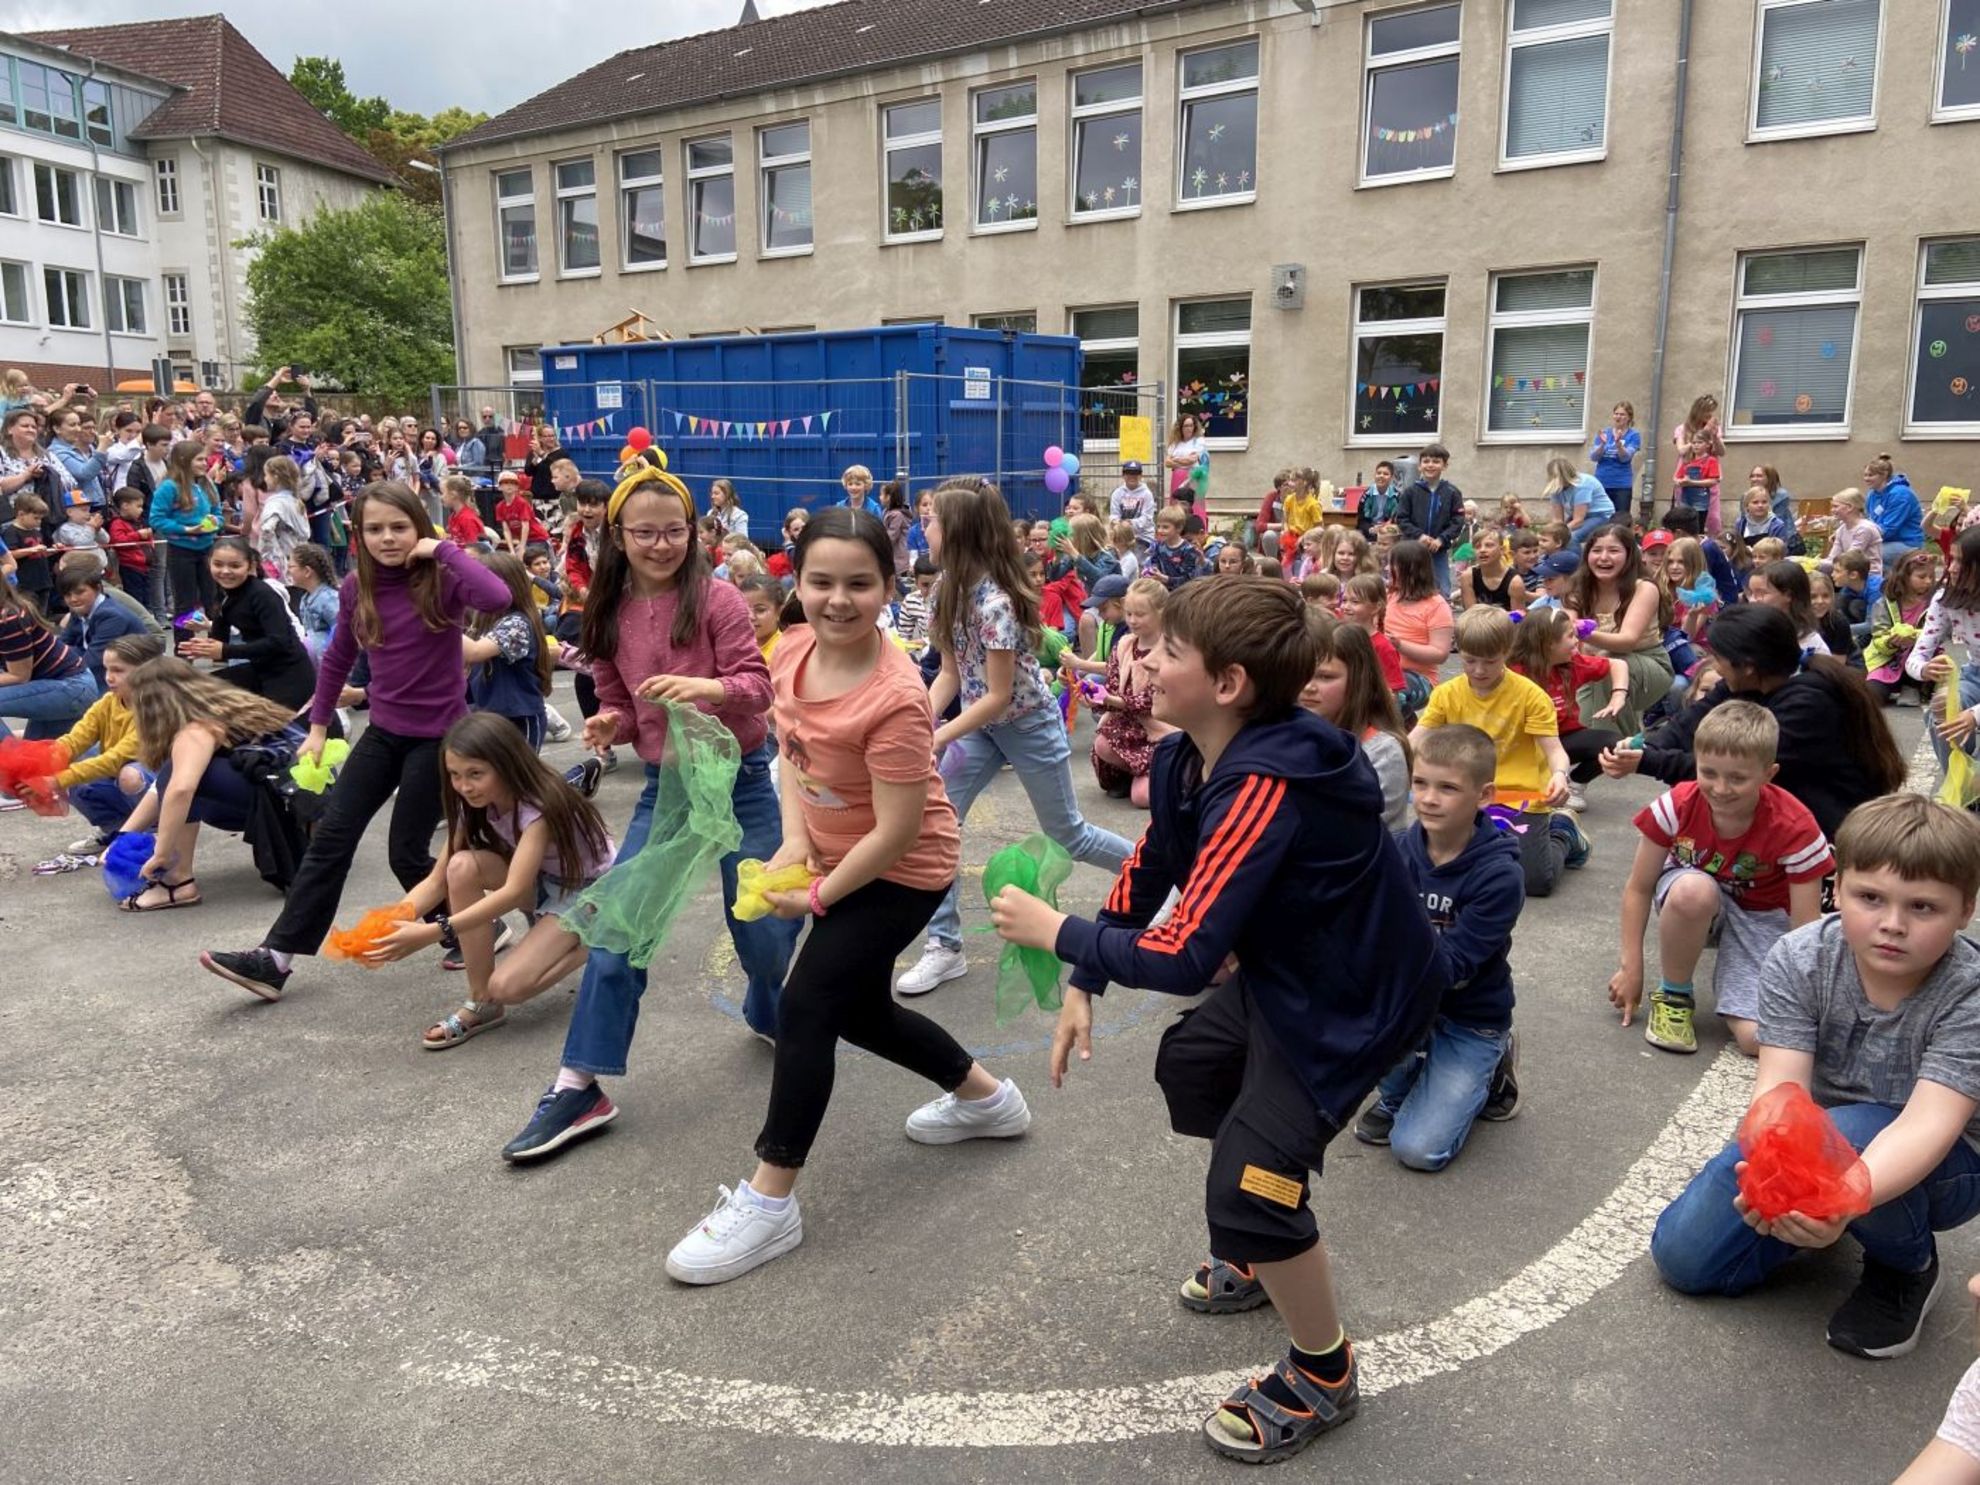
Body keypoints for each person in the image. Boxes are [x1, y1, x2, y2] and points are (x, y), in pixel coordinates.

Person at [988, 575, 1446, 1465]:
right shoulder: (1184, 757)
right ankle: (1259, 1243)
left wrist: (1059, 929)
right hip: (1290, 975)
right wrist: (1085, 969)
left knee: (1250, 1180)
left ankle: (1324, 1369)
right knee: (1194, 1065)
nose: (1145, 658)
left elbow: (1189, 955)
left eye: (1165, 650)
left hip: (1357, 998)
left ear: (1229, 682)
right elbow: (1155, 867)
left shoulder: (1268, 783)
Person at [655, 505, 1029, 1283]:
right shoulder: (791, 649)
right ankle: (988, 1100)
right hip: (832, 854)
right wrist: (795, 839)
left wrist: (820, 893)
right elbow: (791, 755)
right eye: (821, 580)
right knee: (856, 1008)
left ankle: (769, 1201)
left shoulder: (893, 698)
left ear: (889, 587)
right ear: (799, 581)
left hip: (900, 871)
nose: (838, 599)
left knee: (807, 1004)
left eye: (860, 583)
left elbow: (896, 834)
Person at [499, 452, 803, 1160]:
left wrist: (707, 690)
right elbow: (618, 698)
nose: (660, 543)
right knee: (616, 930)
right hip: (666, 792)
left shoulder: (720, 598)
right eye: (644, 532)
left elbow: (758, 686)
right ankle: (579, 1084)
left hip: (740, 778)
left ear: (694, 532)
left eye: (674, 530)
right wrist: (613, 723)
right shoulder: (605, 610)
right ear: (618, 535)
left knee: (761, 927)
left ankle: (768, 993)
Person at [1649, 794, 1980, 1360]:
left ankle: (1907, 1266)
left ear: (1966, 910)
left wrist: (1837, 1201)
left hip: (1950, 1164)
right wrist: (1776, 1185)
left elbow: (1929, 1124)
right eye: (1870, 898)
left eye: (1923, 908)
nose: (1892, 925)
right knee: (1684, 1258)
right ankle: (1827, 1222)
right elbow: (1781, 1093)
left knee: (1852, 1134)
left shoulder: (1968, 991)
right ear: (1837, 887)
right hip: (1822, 1141)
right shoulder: (1799, 957)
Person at [196, 482, 514, 1001]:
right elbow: (338, 658)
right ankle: (275, 959)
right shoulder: (355, 588)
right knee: (330, 840)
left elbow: (498, 597)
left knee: (406, 853)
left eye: (399, 526)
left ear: (417, 525)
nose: (387, 538)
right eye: (374, 529)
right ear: (359, 536)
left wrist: (443, 548)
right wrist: (317, 728)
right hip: (383, 733)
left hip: (440, 739)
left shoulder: (443, 579)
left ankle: (475, 924)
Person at [892, 478, 1134, 996]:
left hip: (1025, 723)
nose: (923, 527)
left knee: (1069, 833)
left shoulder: (995, 602)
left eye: (931, 520)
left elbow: (999, 695)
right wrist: (925, 722)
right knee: (936, 830)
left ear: (956, 531)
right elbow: (951, 674)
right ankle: (945, 946)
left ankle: (1159, 873)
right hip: (981, 728)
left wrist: (938, 738)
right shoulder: (944, 592)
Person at [355, 712, 614, 1050]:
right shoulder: (473, 802)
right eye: (455, 775)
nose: (463, 786)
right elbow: (436, 882)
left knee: (509, 986)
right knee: (460, 867)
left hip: (588, 891)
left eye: (475, 774)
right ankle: (482, 1003)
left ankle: (601, 942)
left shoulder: (540, 807)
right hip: (543, 878)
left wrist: (433, 931)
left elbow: (514, 892)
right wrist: (388, 922)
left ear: (506, 765)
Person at [1612, 702, 1831, 1058]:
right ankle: (1674, 994)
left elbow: (1804, 928)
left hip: (1762, 915)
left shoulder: (1794, 825)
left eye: (1738, 778)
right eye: (1708, 772)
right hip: (1695, 896)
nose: (1720, 788)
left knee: (1757, 1039)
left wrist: (1803, 997)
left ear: (1768, 774)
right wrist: (1630, 967)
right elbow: (1638, 887)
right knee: (1692, 890)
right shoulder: (1678, 804)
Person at [1354, 723, 1524, 1166]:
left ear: (1483, 795)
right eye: (1421, 784)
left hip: (1470, 1016)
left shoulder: (1498, 875)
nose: (1428, 798)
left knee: (1418, 1150)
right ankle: (1399, 1089)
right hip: (1410, 1000)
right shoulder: (1394, 850)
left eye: (1447, 788)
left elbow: (1452, 966)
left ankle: (1493, 1071)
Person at [1605, 604, 1907, 842]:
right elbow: (1689, 723)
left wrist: (1649, 762)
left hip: (1830, 823)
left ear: (1748, 666)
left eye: (1718, 657)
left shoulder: (1809, 702)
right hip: (1788, 807)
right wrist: (1642, 746)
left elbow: (1734, 769)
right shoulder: (1751, 682)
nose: (1716, 666)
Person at [1411, 605, 1586, 899]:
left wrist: (1559, 775)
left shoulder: (1531, 696)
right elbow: (1416, 739)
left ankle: (1563, 832)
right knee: (1430, 864)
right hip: (1462, 794)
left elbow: (1555, 750)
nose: (1479, 670)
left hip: (1520, 797)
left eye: (1489, 661)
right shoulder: (1446, 693)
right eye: (1469, 661)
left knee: (1534, 882)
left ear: (1506, 652)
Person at [110, 655, 309, 910]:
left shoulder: (197, 729)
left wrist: (161, 854)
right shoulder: (223, 706)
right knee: (183, 778)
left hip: (289, 804)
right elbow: (161, 786)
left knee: (182, 780)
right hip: (309, 803)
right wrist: (123, 837)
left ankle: (177, 882)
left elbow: (179, 789)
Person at [35, 632, 166, 868]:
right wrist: (39, 763)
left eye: (118, 670)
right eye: (107, 669)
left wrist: (57, 780)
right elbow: (74, 740)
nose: (109, 677)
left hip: (157, 782)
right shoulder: (107, 702)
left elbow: (114, 760)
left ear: (147, 671)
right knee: (71, 766)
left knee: (130, 774)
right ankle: (117, 829)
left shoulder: (155, 709)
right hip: (118, 774)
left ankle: (156, 831)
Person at [1509, 605, 1627, 812]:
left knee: (1616, 744)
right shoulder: (1513, 672)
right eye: (1570, 636)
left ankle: (1573, 785)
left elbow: (1617, 664)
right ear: (1548, 644)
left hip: (1562, 740)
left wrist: (1618, 695)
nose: (1576, 641)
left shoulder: (1572, 664)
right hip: (1524, 746)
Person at [1301, 610, 1411, 831]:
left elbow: (1356, 835)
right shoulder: (1288, 737)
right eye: (1301, 674)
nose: (1308, 687)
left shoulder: (1381, 752)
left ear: (1357, 681)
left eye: (1325, 676)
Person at [177, 538, 316, 711]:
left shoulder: (262, 594)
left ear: (250, 566)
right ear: (209, 563)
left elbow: (279, 642)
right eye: (218, 565)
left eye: (235, 566)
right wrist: (202, 646)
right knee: (194, 692)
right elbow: (221, 639)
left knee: (267, 731)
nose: (225, 571)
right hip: (261, 668)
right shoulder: (224, 591)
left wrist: (225, 650)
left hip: (289, 674)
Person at [1567, 524, 1674, 735]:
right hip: (1595, 666)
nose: (1603, 557)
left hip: (1648, 663)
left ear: (1629, 555)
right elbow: (1567, 632)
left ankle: (1617, 748)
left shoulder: (1644, 588)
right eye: (1596, 550)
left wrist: (1582, 632)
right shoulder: (1578, 588)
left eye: (1613, 551)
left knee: (1608, 665)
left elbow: (1627, 641)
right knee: (1580, 724)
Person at [1090, 576, 1172, 807]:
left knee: (1142, 799)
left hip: (1159, 727)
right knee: (1103, 743)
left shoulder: (1172, 646)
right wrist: (1093, 696)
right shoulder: (1125, 644)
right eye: (1129, 614)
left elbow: (1153, 700)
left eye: (1140, 614)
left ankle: (1160, 771)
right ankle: (1134, 772)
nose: (1133, 620)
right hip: (1127, 725)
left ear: (1161, 612)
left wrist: (1113, 700)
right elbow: (1113, 686)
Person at [463, 550, 554, 751]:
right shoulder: (482, 622)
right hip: (488, 718)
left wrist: (437, 614)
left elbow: (474, 652)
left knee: (518, 781)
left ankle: (576, 778)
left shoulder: (517, 622)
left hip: (519, 720)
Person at [0, 581, 97, 743]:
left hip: (70, 686)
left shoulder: (8, 619)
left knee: (26, 759)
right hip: (57, 685)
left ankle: (10, 760)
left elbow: (19, 676)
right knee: (42, 757)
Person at [150, 438, 220, 622]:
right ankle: (183, 648)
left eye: (205, 459)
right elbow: (156, 519)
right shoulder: (168, 487)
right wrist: (187, 529)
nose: (204, 464)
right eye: (199, 459)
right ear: (183, 460)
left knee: (213, 600)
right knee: (185, 603)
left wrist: (215, 522)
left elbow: (217, 512)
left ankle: (218, 644)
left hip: (208, 549)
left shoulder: (206, 484)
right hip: (181, 550)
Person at [1382, 539, 1455, 701]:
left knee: (1390, 696)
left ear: (1411, 570)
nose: (1387, 569)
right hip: (1384, 671)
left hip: (1419, 677)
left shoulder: (1437, 606)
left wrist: (1400, 645)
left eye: (1392, 565)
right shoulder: (1388, 597)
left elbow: (1440, 654)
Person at [1866, 549, 1939, 705]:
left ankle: (1912, 686)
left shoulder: (1935, 603)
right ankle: (1883, 685)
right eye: (1922, 577)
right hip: (1888, 661)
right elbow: (1878, 636)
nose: (1928, 581)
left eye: (1931, 577)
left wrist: (1914, 637)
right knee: (1871, 697)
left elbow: (1941, 633)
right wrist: (1892, 641)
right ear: (1904, 577)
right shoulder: (1885, 604)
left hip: (1920, 660)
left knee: (1931, 654)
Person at [56, 563, 148, 685]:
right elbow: (63, 646)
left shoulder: (112, 616)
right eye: (67, 595)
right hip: (105, 665)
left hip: (135, 674)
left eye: (80, 592)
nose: (73, 599)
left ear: (98, 589)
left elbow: (93, 660)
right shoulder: (79, 608)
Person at [1396, 443, 1464, 594]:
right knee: (1409, 588)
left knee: (1442, 590)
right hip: (1412, 549)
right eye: (1426, 461)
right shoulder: (1410, 492)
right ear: (1419, 466)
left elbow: (1457, 521)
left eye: (1436, 461)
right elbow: (1401, 518)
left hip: (1438, 550)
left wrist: (1441, 539)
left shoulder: (1452, 492)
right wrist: (1419, 536)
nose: (1430, 465)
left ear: (1444, 465)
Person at [1746, 559, 1828, 655]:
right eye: (1751, 593)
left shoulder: (1811, 646)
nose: (1752, 600)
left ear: (1789, 595)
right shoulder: (1750, 630)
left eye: (1762, 593)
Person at [1866, 453, 1925, 568]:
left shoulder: (1900, 495)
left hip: (1907, 543)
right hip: (1884, 541)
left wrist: (1865, 538)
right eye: (1865, 475)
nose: (1866, 479)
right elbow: (1868, 521)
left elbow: (1889, 529)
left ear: (1884, 475)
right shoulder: (1872, 494)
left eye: (1871, 475)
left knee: (1865, 556)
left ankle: (1887, 583)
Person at [1544, 457, 1615, 551]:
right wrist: (1551, 533)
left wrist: (1561, 531)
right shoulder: (1555, 487)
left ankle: (1577, 563)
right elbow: (1558, 519)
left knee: (1571, 538)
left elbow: (1578, 520)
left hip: (1600, 515)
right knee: (1556, 538)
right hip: (1578, 515)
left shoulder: (1583, 484)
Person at [1589, 402, 1642, 523]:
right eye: (1616, 414)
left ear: (1629, 417)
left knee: (1621, 519)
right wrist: (1602, 444)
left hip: (1621, 484)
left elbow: (1625, 458)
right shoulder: (1605, 433)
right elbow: (1594, 457)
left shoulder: (1633, 435)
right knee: (1601, 517)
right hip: (1602, 481)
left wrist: (1619, 445)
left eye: (1622, 414)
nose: (1618, 417)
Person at [1457, 524, 1527, 612]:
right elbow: (1470, 613)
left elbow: (1519, 617)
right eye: (1478, 547)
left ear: (1502, 550)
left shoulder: (1514, 582)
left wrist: (1500, 620)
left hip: (1506, 624)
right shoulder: (1468, 577)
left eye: (1489, 545)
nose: (1482, 550)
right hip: (1476, 623)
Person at [288, 542, 339, 659]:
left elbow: (341, 629)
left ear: (307, 571)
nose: (288, 571)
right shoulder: (306, 598)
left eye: (291, 567)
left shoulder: (328, 598)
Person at [1144, 504, 1205, 589]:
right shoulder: (1158, 546)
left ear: (1179, 528)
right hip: (1161, 591)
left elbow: (1188, 579)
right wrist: (1150, 572)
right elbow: (1154, 564)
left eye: (1165, 527)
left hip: (1180, 594)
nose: (1160, 530)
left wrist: (1166, 579)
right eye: (1158, 526)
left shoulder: (1188, 550)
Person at [494, 470, 548, 551]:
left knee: (526, 557)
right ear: (499, 487)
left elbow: (525, 526)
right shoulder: (500, 507)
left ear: (517, 487)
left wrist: (522, 546)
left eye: (513, 483)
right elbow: (506, 530)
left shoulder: (522, 503)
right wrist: (511, 550)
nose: (509, 485)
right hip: (524, 541)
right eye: (505, 482)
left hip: (538, 538)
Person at [1110, 460, 1157, 548]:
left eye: (1136, 473)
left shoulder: (1147, 494)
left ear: (1141, 475)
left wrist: (1129, 524)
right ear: (1123, 475)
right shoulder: (1117, 493)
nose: (1132, 476)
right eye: (1129, 473)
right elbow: (1114, 515)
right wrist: (1116, 522)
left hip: (1144, 536)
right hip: (1123, 534)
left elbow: (1147, 518)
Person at [1164, 413, 1207, 508]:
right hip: (1177, 478)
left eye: (1191, 425)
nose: (1189, 428)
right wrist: (1183, 461)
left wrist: (1175, 460)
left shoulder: (1199, 441)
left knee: (1194, 505)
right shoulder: (1175, 443)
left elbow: (1191, 460)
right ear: (1180, 428)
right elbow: (1167, 463)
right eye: (1186, 426)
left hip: (1192, 478)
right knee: (1177, 504)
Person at [1356, 459, 1405, 538]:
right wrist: (1370, 529)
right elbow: (1361, 520)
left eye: (1386, 474)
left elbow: (1399, 518)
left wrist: (1386, 527)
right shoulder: (1367, 495)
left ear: (1391, 477)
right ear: (1374, 475)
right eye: (1379, 473)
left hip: (1388, 530)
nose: (1381, 476)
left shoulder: (1397, 496)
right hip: (1369, 529)